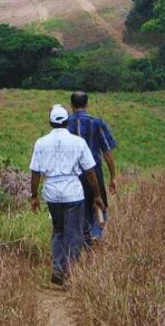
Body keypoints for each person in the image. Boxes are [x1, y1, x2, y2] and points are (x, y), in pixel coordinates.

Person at [30, 104, 105, 286]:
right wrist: (97, 195)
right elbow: (90, 171)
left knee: (58, 230)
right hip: (73, 192)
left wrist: (34, 196)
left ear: (50, 122)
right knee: (75, 233)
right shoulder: (78, 143)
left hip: (52, 193)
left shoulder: (40, 143)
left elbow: (35, 173)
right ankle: (70, 271)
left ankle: (57, 268)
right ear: (67, 121)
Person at [67, 91, 118, 243]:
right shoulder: (97, 123)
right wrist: (113, 176)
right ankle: (96, 234)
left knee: (81, 205)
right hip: (95, 171)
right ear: (87, 104)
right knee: (99, 204)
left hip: (73, 173)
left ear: (71, 106)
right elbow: (107, 151)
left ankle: (85, 238)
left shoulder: (66, 124)